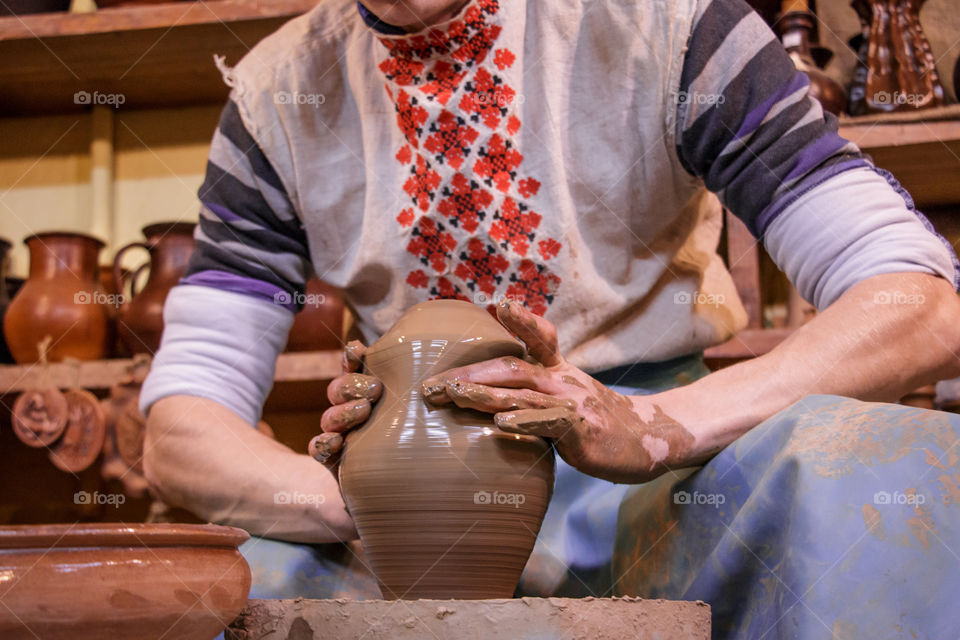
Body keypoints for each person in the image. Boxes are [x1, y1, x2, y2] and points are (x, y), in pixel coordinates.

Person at [140, 0, 960, 636]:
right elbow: (181, 426)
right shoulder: (277, 95)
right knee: (238, 585)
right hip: (413, 495)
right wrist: (345, 502)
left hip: (673, 482)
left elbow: (915, 300)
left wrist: (652, 424)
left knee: (874, 472)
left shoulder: (666, 24)